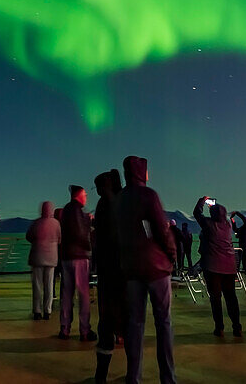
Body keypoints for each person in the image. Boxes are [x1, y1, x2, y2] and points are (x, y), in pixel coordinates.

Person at [116, 156, 176, 384]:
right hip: (156, 268)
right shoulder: (149, 195)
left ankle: (134, 377)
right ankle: (168, 378)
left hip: (131, 269)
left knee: (135, 323)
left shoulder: (120, 199)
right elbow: (161, 228)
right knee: (164, 323)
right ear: (143, 172)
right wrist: (171, 255)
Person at [193, 197, 242, 337]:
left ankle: (219, 327)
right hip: (229, 266)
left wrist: (202, 201)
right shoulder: (228, 225)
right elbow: (219, 215)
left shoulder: (208, 224)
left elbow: (197, 213)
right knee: (231, 297)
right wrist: (215, 209)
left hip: (213, 267)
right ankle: (237, 327)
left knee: (215, 298)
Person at [93, 169, 124, 384]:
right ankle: (134, 372)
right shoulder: (122, 204)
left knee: (105, 322)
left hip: (107, 272)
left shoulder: (103, 206)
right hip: (122, 271)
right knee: (128, 320)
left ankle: (101, 375)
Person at [59, 184, 95, 340]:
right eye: (85, 195)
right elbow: (80, 233)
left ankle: (65, 328)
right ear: (79, 196)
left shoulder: (66, 210)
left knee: (66, 294)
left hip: (66, 256)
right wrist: (88, 224)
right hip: (79, 257)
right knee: (83, 294)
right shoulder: (77, 211)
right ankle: (84, 330)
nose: (86, 197)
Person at [26, 200, 61, 320]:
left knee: (37, 286)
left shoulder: (36, 223)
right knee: (49, 285)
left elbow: (28, 236)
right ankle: (48, 310)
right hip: (51, 258)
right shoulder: (56, 224)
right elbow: (59, 239)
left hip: (37, 257)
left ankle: (37, 311)